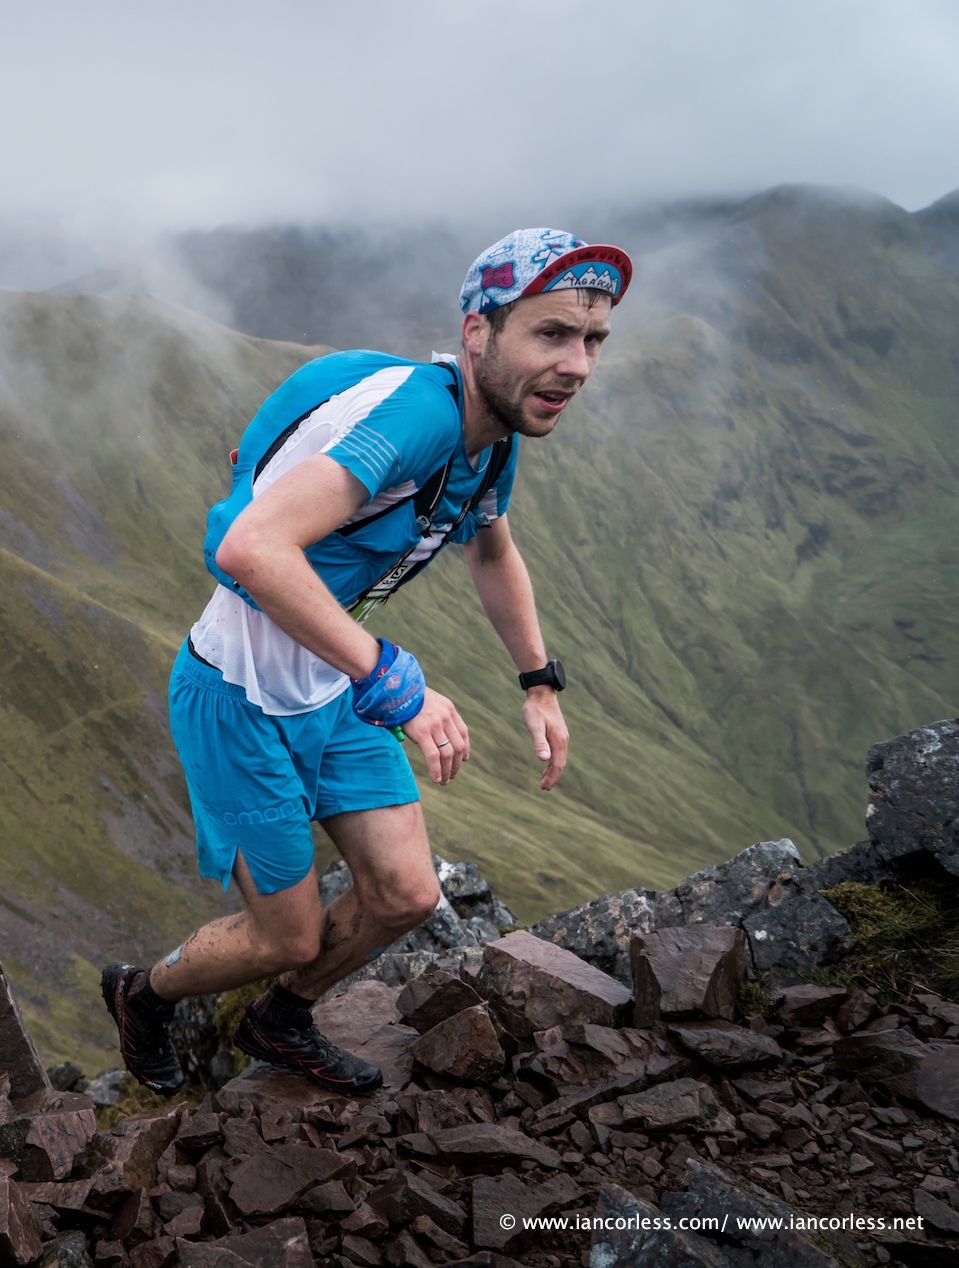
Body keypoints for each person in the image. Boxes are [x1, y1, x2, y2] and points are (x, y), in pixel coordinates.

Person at [102, 229, 632, 1095]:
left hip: (331, 685)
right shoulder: (421, 419)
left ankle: (281, 1020)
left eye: (593, 340)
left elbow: (491, 548)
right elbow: (250, 548)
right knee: (286, 936)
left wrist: (539, 682)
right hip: (237, 696)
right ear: (477, 332)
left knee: (406, 895)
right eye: (551, 334)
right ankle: (142, 995)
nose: (576, 364)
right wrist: (391, 679)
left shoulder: (491, 437)